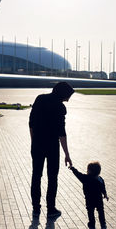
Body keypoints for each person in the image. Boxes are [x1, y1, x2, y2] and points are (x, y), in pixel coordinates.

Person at [29, 82, 74, 218]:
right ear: (63, 94)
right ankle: (51, 209)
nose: (69, 98)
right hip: (52, 146)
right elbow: (61, 133)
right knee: (52, 177)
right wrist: (67, 154)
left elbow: (31, 122)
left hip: (37, 144)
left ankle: (36, 208)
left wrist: (34, 141)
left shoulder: (40, 99)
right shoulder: (60, 108)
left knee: (36, 175)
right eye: (68, 95)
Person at [69, 161, 109, 229]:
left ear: (90, 171)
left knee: (90, 211)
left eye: (87, 170)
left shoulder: (86, 178)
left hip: (89, 199)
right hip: (99, 199)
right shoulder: (100, 179)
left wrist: (72, 168)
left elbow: (78, 174)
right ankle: (103, 223)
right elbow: (103, 187)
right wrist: (105, 194)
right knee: (101, 210)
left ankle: (92, 223)